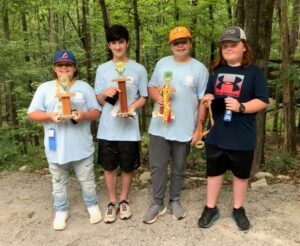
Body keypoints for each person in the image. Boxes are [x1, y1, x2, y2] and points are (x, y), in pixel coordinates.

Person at [197, 26, 269, 230]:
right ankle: (210, 207)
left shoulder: (254, 72)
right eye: (225, 45)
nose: (228, 48)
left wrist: (242, 106)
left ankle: (238, 208)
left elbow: (263, 100)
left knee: (240, 175)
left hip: (242, 136)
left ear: (244, 47)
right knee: (213, 173)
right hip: (216, 135)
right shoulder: (216, 71)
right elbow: (208, 97)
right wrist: (208, 99)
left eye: (233, 44)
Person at [28, 50, 102, 230]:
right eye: (60, 65)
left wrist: (82, 115)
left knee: (87, 179)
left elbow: (96, 111)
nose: (64, 69)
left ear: (74, 68)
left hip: (81, 146)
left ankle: (92, 205)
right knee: (59, 182)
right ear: (54, 68)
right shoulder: (44, 88)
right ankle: (61, 210)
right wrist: (50, 116)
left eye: (68, 65)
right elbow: (32, 113)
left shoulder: (84, 87)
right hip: (56, 148)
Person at [143, 26, 209, 224]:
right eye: (176, 42)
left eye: (184, 41)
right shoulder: (162, 63)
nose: (180, 45)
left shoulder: (199, 68)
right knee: (157, 166)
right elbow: (152, 86)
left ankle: (175, 200)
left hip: (185, 127)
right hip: (159, 125)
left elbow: (203, 101)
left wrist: (199, 128)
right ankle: (157, 203)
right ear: (171, 45)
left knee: (179, 168)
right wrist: (158, 98)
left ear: (190, 43)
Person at [94, 24, 148, 223]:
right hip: (108, 129)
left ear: (127, 43)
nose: (118, 47)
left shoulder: (139, 69)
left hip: (129, 129)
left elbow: (143, 96)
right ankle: (112, 201)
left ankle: (124, 199)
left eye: (121, 42)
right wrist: (104, 94)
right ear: (108, 45)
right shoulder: (102, 69)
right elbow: (98, 100)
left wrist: (132, 108)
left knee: (127, 167)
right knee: (109, 167)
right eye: (113, 43)